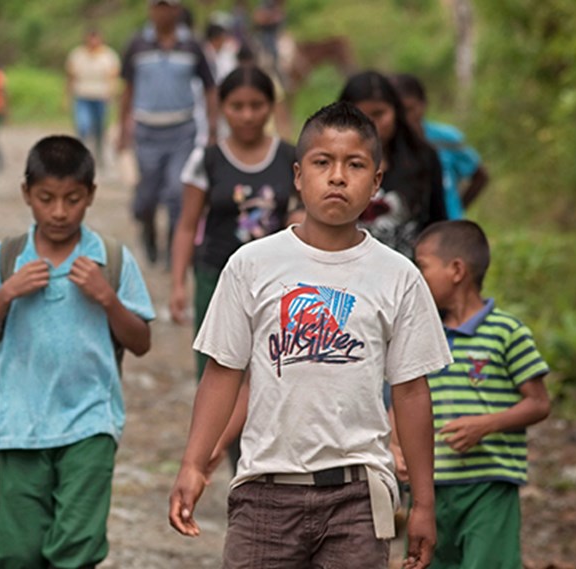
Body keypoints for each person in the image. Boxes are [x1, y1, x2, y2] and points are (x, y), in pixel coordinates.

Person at [167, 101, 451, 569]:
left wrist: (422, 502)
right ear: (298, 176)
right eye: (323, 163)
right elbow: (223, 373)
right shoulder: (251, 265)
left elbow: (412, 392)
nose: (337, 177)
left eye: (355, 165)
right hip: (264, 491)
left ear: (376, 183)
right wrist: (194, 464)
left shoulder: (398, 277)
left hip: (358, 496)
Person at [0, 136, 155, 569]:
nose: (59, 212)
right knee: (19, 550)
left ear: (91, 196)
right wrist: (6, 294)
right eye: (46, 198)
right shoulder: (7, 257)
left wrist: (107, 297)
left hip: (90, 422)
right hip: (20, 422)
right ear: (27, 194)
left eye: (72, 199)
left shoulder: (110, 257)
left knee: (77, 547)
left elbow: (140, 342)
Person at [408, 220, 552, 569]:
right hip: (432, 487)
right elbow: (405, 397)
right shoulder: (422, 334)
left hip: (489, 484)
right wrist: (397, 448)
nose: (415, 277)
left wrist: (486, 425)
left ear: (456, 270)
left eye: (422, 266)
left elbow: (539, 402)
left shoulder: (507, 332)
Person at [168, 67, 296, 377]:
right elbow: (187, 225)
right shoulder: (208, 159)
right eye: (237, 107)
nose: (248, 116)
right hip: (216, 279)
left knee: (271, 370)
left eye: (257, 105)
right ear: (222, 108)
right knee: (217, 369)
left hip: (274, 284)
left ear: (271, 106)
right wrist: (178, 285)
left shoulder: (289, 157)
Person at [121, 0, 219, 266]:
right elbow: (127, 89)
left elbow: (210, 88)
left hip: (182, 132)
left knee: (177, 192)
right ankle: (148, 233)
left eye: (168, 6)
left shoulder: (192, 45)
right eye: (158, 6)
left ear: (177, 10)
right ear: (150, 10)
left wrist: (212, 128)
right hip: (146, 132)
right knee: (147, 197)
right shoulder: (137, 44)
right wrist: (123, 129)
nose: (163, 12)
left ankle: (173, 251)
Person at [339, 71, 446, 256]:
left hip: (407, 271)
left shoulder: (422, 157)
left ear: (396, 112)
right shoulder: (331, 163)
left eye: (379, 114)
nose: (371, 123)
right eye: (360, 116)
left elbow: (437, 221)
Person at [392, 73, 490, 220]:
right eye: (398, 111)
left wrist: (457, 210)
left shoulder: (446, 140)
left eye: (409, 109)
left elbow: (480, 176)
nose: (405, 118)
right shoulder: (388, 145)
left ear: (423, 104)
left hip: (447, 228)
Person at [66, 27, 122, 162]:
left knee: (99, 128)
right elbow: (70, 77)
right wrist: (67, 96)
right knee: (83, 126)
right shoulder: (78, 55)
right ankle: (81, 155)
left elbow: (113, 77)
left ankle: (99, 155)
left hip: (101, 96)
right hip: (82, 95)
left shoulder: (108, 55)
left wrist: (112, 94)